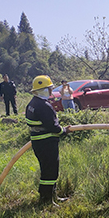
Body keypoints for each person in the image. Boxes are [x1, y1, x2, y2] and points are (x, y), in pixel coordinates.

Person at [25, 75, 69, 205]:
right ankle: (47, 200)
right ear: (44, 90)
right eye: (49, 89)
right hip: (47, 143)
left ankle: (50, 196)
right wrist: (64, 131)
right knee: (50, 171)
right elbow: (53, 126)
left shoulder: (32, 104)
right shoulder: (44, 106)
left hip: (38, 143)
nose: (51, 91)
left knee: (46, 170)